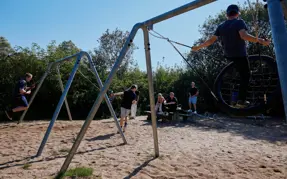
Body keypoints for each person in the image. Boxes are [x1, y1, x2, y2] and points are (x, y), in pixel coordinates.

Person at [191, 4, 270, 107]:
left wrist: (198, 47)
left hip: (229, 55)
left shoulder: (221, 26)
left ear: (227, 15)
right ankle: (241, 101)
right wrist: (260, 41)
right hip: (240, 54)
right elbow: (244, 36)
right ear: (237, 13)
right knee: (246, 76)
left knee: (241, 73)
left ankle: (237, 98)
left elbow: (210, 41)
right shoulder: (239, 22)